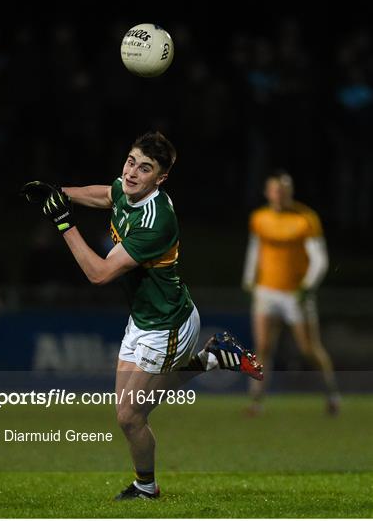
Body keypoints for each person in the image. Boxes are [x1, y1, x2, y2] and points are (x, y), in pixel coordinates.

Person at [21, 131, 263, 500]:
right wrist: (61, 191)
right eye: (131, 161)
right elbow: (106, 193)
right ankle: (212, 358)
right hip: (144, 318)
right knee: (128, 410)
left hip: (168, 324)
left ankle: (147, 488)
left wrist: (63, 222)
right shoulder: (127, 187)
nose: (132, 173)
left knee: (130, 416)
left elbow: (99, 274)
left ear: (160, 179)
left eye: (144, 168)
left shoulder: (156, 221)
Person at [242, 170, 340, 416]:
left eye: (283, 190)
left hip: (296, 293)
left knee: (308, 348)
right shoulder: (259, 218)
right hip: (267, 291)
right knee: (263, 346)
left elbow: (320, 259)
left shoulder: (305, 218)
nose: (278, 195)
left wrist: (307, 286)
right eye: (274, 190)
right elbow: (255, 249)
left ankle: (332, 393)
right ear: (267, 192)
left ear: (290, 192)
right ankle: (256, 401)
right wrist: (249, 278)